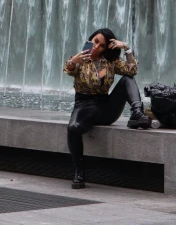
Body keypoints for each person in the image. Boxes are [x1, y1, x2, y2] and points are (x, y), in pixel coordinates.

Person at [64, 27, 150, 189]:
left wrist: (126, 48)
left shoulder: (110, 62)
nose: (96, 46)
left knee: (127, 79)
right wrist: (72, 61)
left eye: (101, 45)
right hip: (84, 106)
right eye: (95, 41)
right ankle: (79, 171)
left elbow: (132, 70)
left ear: (107, 48)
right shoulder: (80, 58)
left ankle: (137, 113)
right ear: (91, 40)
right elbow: (68, 69)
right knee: (73, 128)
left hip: (105, 107)